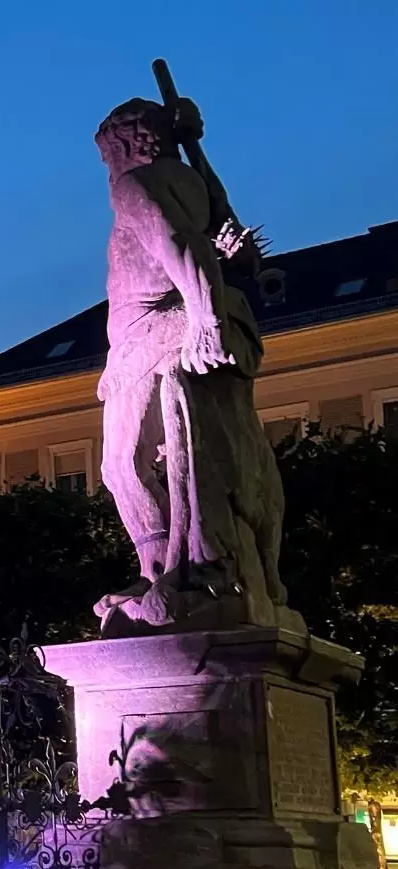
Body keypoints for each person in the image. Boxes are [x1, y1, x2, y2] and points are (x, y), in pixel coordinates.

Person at [92, 96, 296, 634]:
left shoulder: (133, 187)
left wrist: (205, 324)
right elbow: (234, 244)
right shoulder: (193, 182)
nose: (106, 166)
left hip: (154, 329)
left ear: (124, 145)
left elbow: (190, 251)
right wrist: (194, 148)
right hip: (190, 318)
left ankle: (156, 567)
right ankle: (173, 564)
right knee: (160, 454)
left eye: (108, 152)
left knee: (121, 463)